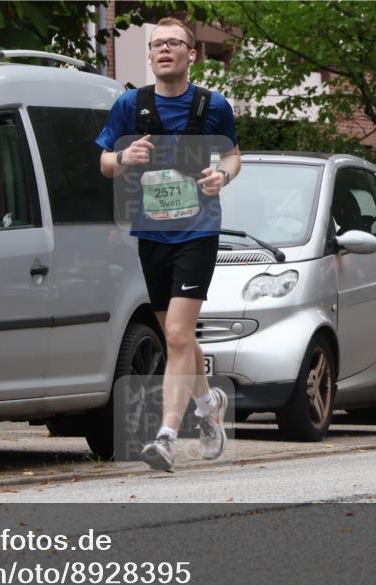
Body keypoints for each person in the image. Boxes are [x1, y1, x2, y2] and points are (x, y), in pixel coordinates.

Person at [96, 17, 241, 471]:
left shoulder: (212, 105)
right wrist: (124, 156)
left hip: (198, 232)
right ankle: (210, 406)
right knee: (177, 338)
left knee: (178, 335)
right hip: (152, 233)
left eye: (175, 43)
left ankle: (166, 436)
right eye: (158, 44)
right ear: (151, 55)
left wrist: (224, 175)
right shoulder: (129, 105)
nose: (165, 50)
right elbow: (104, 162)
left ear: (191, 54)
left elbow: (234, 155)